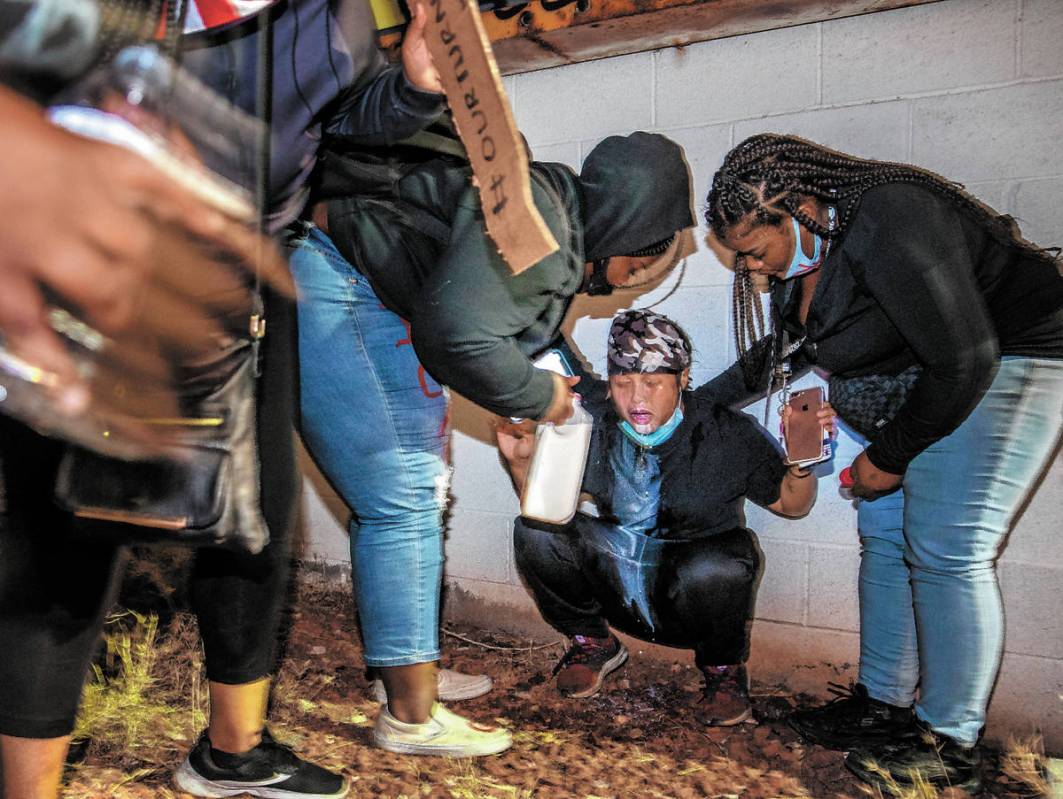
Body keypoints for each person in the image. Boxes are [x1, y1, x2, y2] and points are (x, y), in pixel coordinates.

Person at [0, 1, 448, 797]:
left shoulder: (329, 13)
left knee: (254, 522)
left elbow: (346, 121)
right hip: (95, 254)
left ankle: (231, 753)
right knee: (64, 542)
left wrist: (411, 87)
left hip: (247, 274)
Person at [292, 131, 696, 755]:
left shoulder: (547, 204)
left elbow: (481, 318)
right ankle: (409, 715)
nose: (630, 281)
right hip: (339, 271)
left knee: (414, 490)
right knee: (404, 494)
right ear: (625, 233)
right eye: (639, 266)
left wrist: (527, 389)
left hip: (357, 274)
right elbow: (455, 337)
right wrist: (541, 399)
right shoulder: (549, 236)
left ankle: (405, 673)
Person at [703, 133, 1063, 793]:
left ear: (800, 208)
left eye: (755, 251)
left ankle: (946, 742)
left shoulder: (889, 217)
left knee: (948, 544)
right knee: (884, 534)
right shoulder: (808, 264)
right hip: (931, 380)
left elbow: (965, 359)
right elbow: (779, 356)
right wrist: (698, 404)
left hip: (1013, 357)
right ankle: (881, 704)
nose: (751, 271)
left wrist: (888, 458)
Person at [494, 309, 834, 725]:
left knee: (722, 563)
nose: (637, 399)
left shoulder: (726, 431)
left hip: (690, 591)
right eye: (623, 383)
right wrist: (520, 463)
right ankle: (594, 643)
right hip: (619, 579)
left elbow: (792, 505)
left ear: (683, 378)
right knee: (535, 531)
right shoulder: (592, 420)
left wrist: (802, 466)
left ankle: (723, 671)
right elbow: (547, 509)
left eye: (653, 384)